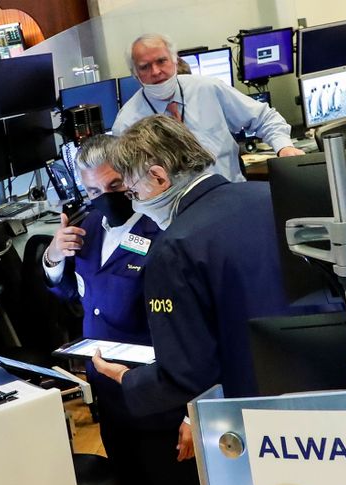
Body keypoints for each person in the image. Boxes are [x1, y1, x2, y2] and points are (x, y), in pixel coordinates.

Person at [93, 115, 290, 441]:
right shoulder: (274, 195)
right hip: (330, 390)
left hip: (252, 417)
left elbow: (186, 374)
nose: (136, 204)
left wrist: (127, 379)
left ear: (158, 177)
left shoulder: (173, 249)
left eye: (132, 192)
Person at [43, 134, 204, 485]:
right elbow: (73, 293)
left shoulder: (164, 228)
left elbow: (193, 328)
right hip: (111, 396)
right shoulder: (89, 227)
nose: (105, 196)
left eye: (114, 186)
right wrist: (53, 255)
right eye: (93, 190)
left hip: (161, 398)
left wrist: (191, 413)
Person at [113, 33, 304, 183]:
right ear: (134, 73)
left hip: (233, 195)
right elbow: (132, 182)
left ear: (174, 60)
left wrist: (284, 147)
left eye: (161, 61)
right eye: (145, 67)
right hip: (180, 216)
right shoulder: (127, 123)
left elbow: (264, 118)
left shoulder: (207, 89)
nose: (156, 72)